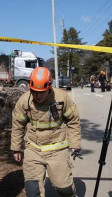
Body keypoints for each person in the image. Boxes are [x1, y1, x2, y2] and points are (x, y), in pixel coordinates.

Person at [11, 67, 82, 197]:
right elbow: (17, 124)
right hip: (33, 149)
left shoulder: (61, 97)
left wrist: (75, 143)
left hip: (57, 150)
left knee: (64, 189)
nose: (37, 96)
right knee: (33, 191)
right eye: (34, 92)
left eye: (41, 92)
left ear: (49, 88)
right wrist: (16, 147)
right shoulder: (24, 101)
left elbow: (73, 120)